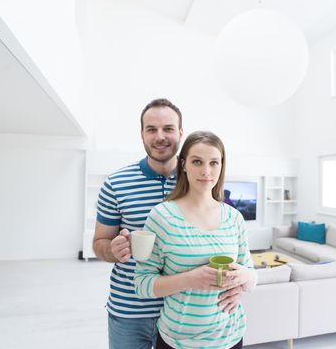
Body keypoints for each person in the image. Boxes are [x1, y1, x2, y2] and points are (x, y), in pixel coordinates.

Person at [93, 99, 243, 349]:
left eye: (168, 129)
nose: (160, 136)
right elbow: (99, 242)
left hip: (185, 314)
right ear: (141, 133)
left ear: (180, 133)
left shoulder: (199, 178)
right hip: (131, 311)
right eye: (151, 129)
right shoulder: (116, 184)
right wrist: (112, 250)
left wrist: (236, 283)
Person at [135, 131, 257, 349]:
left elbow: (251, 275)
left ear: (221, 166)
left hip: (231, 337)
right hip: (178, 341)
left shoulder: (234, 218)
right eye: (197, 162)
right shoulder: (161, 217)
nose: (206, 171)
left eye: (214, 163)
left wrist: (243, 278)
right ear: (183, 165)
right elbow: (142, 284)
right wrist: (191, 279)